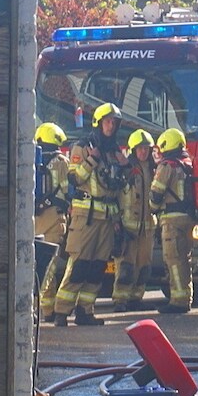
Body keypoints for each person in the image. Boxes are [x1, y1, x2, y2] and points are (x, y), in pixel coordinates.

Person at [54, 103, 128, 327]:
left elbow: (116, 189)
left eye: (114, 123)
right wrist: (91, 159)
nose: (111, 126)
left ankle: (85, 311)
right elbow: (74, 179)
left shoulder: (114, 151)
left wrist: (126, 167)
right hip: (85, 218)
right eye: (107, 121)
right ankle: (61, 312)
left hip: (107, 218)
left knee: (97, 268)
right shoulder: (83, 147)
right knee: (79, 265)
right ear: (98, 122)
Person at [111, 129, 157, 312]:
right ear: (133, 150)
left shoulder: (155, 169)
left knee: (144, 266)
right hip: (127, 227)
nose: (143, 152)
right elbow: (113, 196)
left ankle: (136, 298)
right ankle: (120, 300)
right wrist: (116, 220)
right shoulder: (125, 169)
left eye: (146, 148)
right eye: (140, 149)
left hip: (148, 228)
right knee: (125, 266)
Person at [151, 128, 196, 314]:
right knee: (184, 258)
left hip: (171, 220)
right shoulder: (187, 163)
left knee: (174, 260)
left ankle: (179, 300)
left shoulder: (167, 166)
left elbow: (156, 194)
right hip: (188, 218)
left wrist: (153, 209)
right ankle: (185, 295)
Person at [35, 122, 71, 323]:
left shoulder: (33, 160)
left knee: (37, 265)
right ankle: (46, 311)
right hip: (55, 218)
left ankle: (42, 310)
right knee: (49, 266)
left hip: (35, 219)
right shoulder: (61, 162)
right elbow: (67, 192)